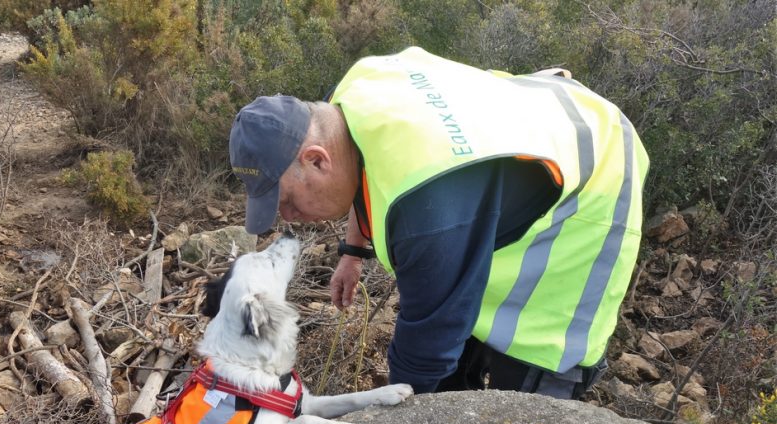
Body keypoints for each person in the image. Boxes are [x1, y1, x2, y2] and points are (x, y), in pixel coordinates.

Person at [228, 46, 649, 399]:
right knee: (461, 329)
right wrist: (353, 252)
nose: (289, 218)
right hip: (524, 122)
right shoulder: (349, 96)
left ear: (317, 160)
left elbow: (428, 344)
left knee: (531, 387)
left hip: (598, 166)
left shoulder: (426, 207)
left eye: (287, 201)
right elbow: (358, 168)